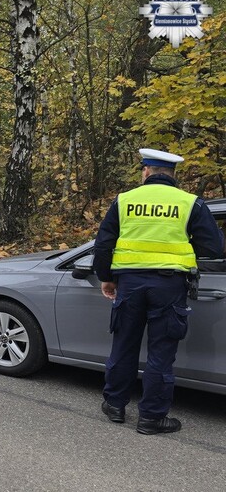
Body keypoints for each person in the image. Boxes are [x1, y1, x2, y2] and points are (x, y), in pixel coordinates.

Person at [93, 148, 223, 434]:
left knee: (124, 345)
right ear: (173, 175)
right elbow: (214, 248)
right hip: (169, 286)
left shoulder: (125, 200)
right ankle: (151, 418)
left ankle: (115, 405)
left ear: (146, 172)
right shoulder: (190, 203)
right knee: (161, 352)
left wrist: (106, 277)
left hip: (129, 284)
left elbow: (103, 245)